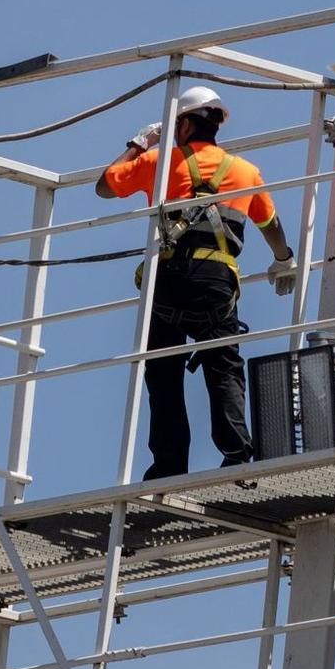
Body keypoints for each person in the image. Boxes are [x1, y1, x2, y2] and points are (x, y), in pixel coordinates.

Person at [96, 85, 298, 479]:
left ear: (186, 125)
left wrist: (141, 141)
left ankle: (170, 465)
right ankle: (238, 458)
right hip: (215, 284)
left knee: (163, 375)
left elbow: (106, 185)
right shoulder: (245, 172)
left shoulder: (159, 161)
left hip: (169, 281)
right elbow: (270, 224)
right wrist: (283, 260)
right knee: (223, 369)